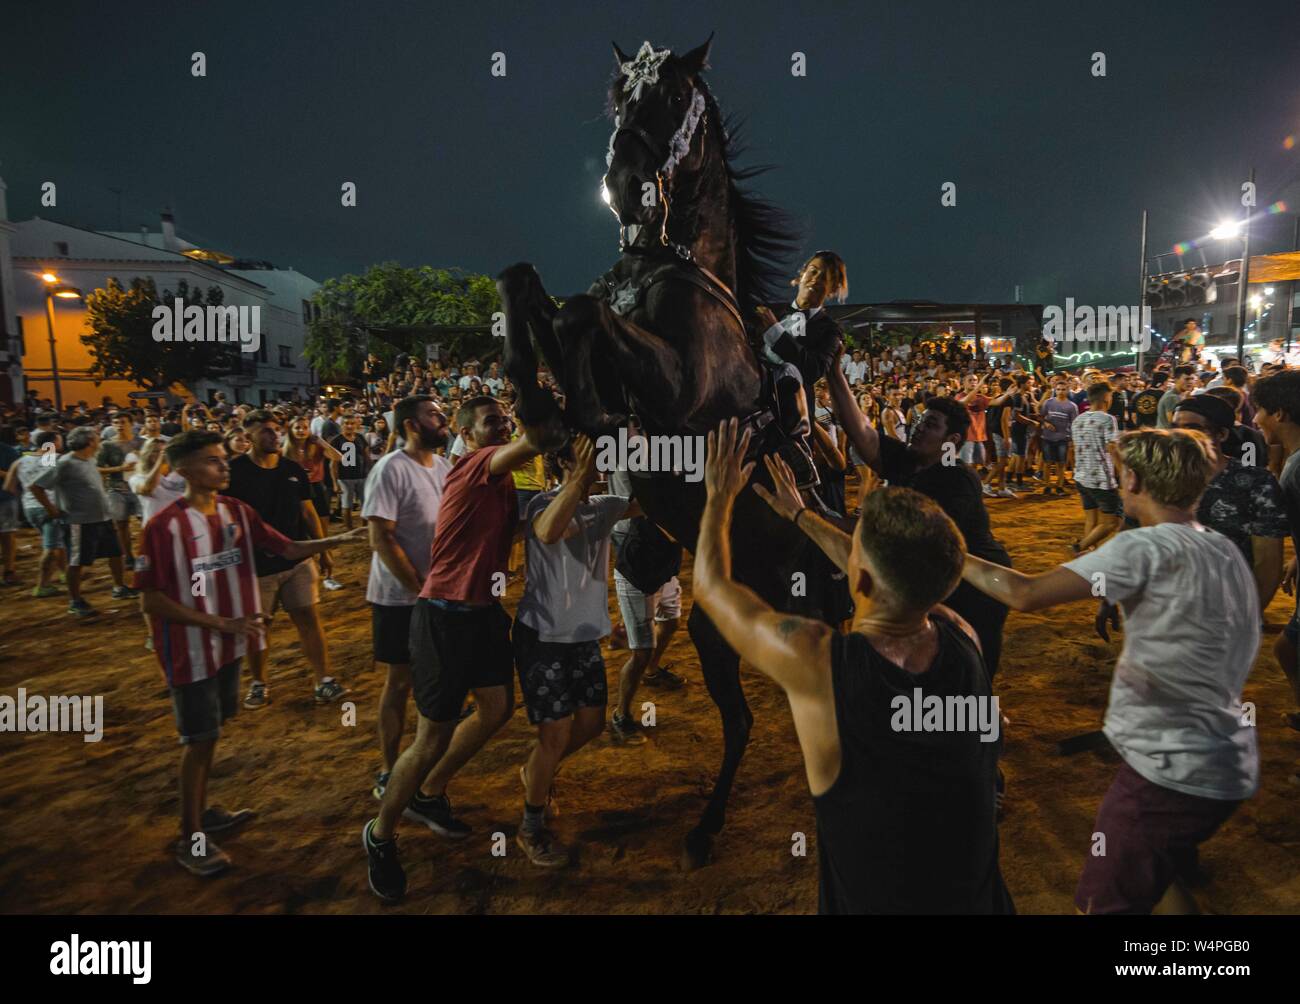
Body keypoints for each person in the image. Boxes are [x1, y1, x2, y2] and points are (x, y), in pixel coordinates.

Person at [695, 419, 1013, 914]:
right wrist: (801, 516)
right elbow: (884, 567)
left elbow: (713, 589)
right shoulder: (960, 634)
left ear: (858, 580)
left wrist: (718, 498)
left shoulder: (818, 662)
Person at [961, 428, 1259, 913]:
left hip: (1168, 768)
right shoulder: (1221, 549)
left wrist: (948, 554)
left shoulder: (1143, 549)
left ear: (1135, 480)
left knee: (1104, 903)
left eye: (1121, 476)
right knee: (1154, 880)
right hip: (1223, 757)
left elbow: (1025, 594)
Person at [134, 430, 365, 875]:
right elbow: (151, 600)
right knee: (197, 739)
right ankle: (190, 838)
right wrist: (224, 624)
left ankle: (203, 813)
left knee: (212, 733)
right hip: (191, 650)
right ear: (183, 471)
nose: (223, 467)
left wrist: (338, 540)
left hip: (226, 645)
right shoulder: (164, 527)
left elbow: (287, 547)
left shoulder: (236, 511)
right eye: (212, 461)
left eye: (223, 459)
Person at [364, 395, 546, 903]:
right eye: (492, 421)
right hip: (443, 614)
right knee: (431, 737)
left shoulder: (502, 477)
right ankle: (380, 835)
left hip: (482, 613)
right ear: (467, 433)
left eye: (506, 418)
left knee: (496, 708)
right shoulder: (474, 464)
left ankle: (430, 792)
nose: (503, 425)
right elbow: (532, 442)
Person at [828, 362, 1012, 680]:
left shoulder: (958, 479)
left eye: (931, 425)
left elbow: (907, 535)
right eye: (921, 421)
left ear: (951, 440)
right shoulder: (910, 460)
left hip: (977, 588)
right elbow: (859, 430)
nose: (919, 427)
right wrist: (833, 370)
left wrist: (817, 518)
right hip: (933, 585)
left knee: (971, 670)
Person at [513, 435, 631, 866]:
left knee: (592, 723)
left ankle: (535, 777)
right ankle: (531, 826)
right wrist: (578, 478)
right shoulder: (541, 504)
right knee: (555, 733)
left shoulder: (604, 506)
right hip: (542, 636)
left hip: (582, 635)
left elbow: (652, 503)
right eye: (592, 456)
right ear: (566, 460)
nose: (601, 462)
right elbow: (549, 533)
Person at [361, 396, 452, 799]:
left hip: (437, 595)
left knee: (435, 679)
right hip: (399, 599)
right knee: (399, 683)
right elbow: (381, 537)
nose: (443, 418)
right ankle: (388, 768)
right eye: (434, 414)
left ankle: (422, 760)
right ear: (411, 425)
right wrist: (419, 589)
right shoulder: (390, 469)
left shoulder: (445, 467)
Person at [225, 411, 347, 706]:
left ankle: (323, 680)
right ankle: (258, 681)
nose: (273, 435)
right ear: (248, 435)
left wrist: (322, 550)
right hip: (255, 565)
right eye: (265, 431)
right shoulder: (234, 472)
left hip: (297, 559)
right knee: (259, 625)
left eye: (275, 430)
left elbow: (308, 511)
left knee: (309, 619)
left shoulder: (291, 469)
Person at [753, 252, 849, 484]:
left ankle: (796, 451)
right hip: (752, 395)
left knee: (790, 371)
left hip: (787, 414)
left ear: (833, 288)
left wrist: (775, 332)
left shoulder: (830, 331)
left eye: (825, 276)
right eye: (813, 271)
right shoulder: (768, 310)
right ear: (801, 276)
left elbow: (813, 369)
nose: (816, 278)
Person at [28, 426, 138, 616]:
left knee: (115, 553)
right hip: (79, 521)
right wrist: (51, 509)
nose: (99, 441)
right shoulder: (66, 463)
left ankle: (120, 588)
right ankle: (75, 600)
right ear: (89, 442)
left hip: (102, 518)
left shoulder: (89, 459)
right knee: (77, 561)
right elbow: (36, 486)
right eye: (96, 438)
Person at [1252, 371, 1300, 740]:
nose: (1255, 419)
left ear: (1280, 414)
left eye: (1260, 410)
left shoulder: (1296, 467)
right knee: (1287, 648)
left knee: (1288, 648)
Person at [4, 430, 67, 596]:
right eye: (59, 441)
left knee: (55, 542)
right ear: (52, 443)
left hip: (30, 508)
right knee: (51, 547)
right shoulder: (54, 459)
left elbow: (9, 487)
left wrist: (27, 497)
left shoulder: (20, 461)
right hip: (50, 507)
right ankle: (43, 585)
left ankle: (65, 573)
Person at [1070, 382, 1122, 553]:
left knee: (1091, 520)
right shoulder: (1108, 419)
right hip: (1101, 479)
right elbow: (1112, 448)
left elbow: (1076, 447)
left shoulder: (1078, 419)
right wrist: (1123, 473)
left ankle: (1088, 555)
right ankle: (1080, 547)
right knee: (1111, 522)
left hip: (1081, 476)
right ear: (1107, 398)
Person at [98, 412, 144, 568]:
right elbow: (97, 468)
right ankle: (128, 557)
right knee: (121, 525)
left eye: (123, 422)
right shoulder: (107, 445)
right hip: (116, 488)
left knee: (145, 522)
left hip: (139, 488)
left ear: (131, 423)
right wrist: (120, 468)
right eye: (116, 422)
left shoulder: (141, 443)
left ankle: (145, 554)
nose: (119, 425)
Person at [330, 414, 371, 531]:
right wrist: (335, 482)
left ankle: (365, 527)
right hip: (344, 477)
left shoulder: (361, 438)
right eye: (346, 423)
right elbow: (333, 464)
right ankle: (349, 528)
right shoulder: (336, 441)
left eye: (352, 423)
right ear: (342, 425)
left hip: (362, 476)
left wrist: (372, 473)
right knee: (347, 504)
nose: (349, 426)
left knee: (365, 502)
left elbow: (367, 457)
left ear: (356, 424)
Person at [1038, 381, 1078, 496]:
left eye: (1063, 389)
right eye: (1058, 389)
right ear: (1055, 390)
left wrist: (1071, 439)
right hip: (1047, 437)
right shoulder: (1048, 403)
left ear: (1067, 390)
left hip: (1062, 438)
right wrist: (1045, 424)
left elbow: (1073, 424)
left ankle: (1059, 486)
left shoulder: (1072, 406)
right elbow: (1041, 416)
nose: (1060, 391)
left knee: (1061, 463)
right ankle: (1047, 485)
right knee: (1047, 463)